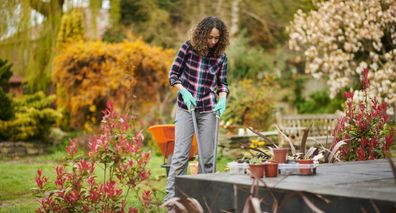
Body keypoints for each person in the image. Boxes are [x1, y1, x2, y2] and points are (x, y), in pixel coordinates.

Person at [165, 16, 230, 202]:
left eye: (216, 38)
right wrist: (183, 91)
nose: (212, 42)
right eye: (210, 37)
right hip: (187, 107)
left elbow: (222, 84)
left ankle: (204, 200)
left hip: (208, 108)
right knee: (180, 156)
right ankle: (172, 199)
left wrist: (223, 98)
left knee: (208, 157)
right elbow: (173, 75)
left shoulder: (221, 57)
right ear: (202, 34)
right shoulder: (187, 48)